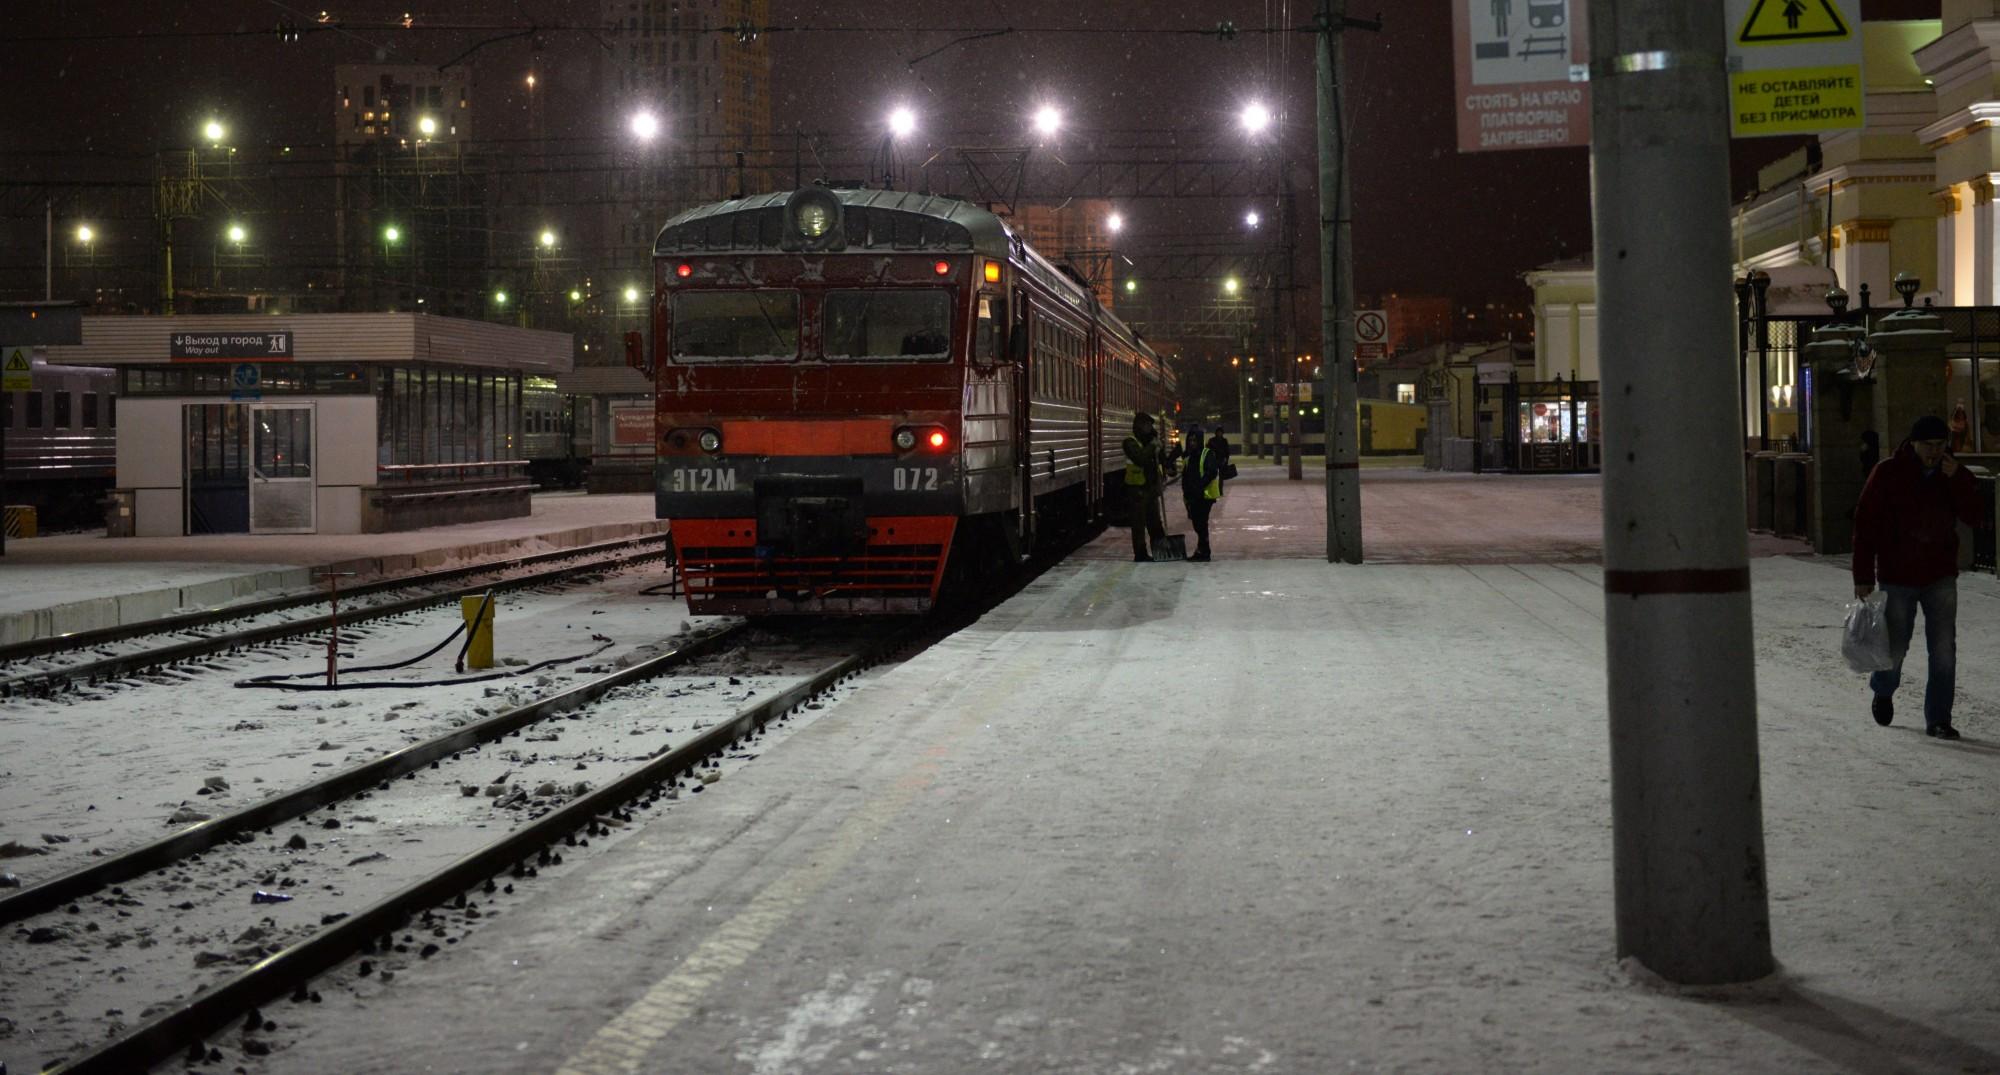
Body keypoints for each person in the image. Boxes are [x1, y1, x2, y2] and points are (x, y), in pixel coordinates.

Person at [1852, 414, 1984, 740]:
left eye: (1940, 446)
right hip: (1898, 574)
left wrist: (1960, 478)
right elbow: (1866, 524)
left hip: (1939, 574)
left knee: (1943, 650)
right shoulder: (1888, 472)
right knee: (1895, 646)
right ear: (1913, 443)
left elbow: (1976, 515)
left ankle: (1938, 719)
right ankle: (1884, 689)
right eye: (1929, 445)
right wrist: (1863, 575)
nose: (1934, 452)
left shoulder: (1950, 474)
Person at [1122, 411, 1168, 562]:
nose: (1149, 428)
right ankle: (1140, 554)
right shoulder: (1130, 442)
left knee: (1155, 522)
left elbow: (1160, 460)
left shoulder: (1151, 441)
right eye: (1147, 425)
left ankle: (1161, 551)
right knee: (1139, 523)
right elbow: (1140, 458)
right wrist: (1152, 446)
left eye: (1150, 425)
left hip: (1151, 488)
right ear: (1139, 425)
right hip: (1137, 489)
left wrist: (1164, 456)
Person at [1181, 423, 1222, 561]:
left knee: (1201, 523)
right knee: (1197, 523)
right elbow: (1185, 475)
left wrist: (1199, 486)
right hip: (1193, 496)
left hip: (1205, 495)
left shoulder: (1207, 454)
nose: (1192, 443)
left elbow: (1211, 472)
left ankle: (1204, 551)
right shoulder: (1189, 456)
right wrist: (1186, 493)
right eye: (1190, 440)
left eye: (1194, 440)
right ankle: (1202, 550)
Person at [1207, 428, 1234, 495]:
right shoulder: (1212, 440)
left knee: (1221, 477)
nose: (1219, 434)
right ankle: (1214, 491)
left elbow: (1227, 451)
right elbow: (1208, 449)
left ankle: (1220, 491)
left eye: (1221, 432)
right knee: (1213, 476)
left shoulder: (1224, 441)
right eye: (1218, 432)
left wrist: (1226, 459)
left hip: (1222, 460)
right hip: (1214, 460)